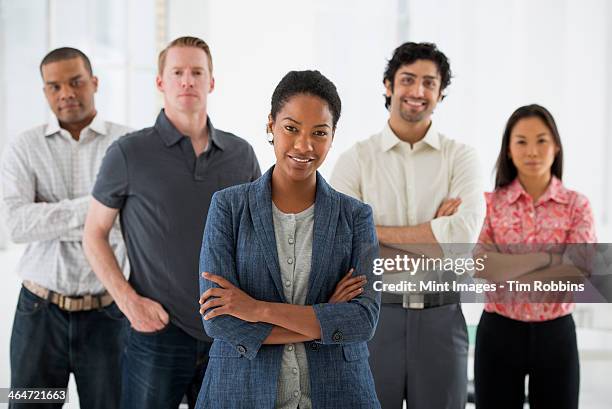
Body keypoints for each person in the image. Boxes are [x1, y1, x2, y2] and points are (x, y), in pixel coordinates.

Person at [83, 36, 261, 409]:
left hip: (226, 331)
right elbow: (94, 234)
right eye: (177, 72)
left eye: (197, 72)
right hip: (157, 333)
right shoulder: (128, 153)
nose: (187, 81)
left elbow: (257, 237)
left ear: (211, 82)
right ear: (160, 82)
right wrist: (129, 302)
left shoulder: (241, 154)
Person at [196, 70, 381, 409]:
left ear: (333, 135)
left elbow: (363, 320)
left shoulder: (356, 217)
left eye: (319, 133)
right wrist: (324, 318)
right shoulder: (228, 207)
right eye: (291, 128)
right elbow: (218, 320)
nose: (303, 145)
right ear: (271, 125)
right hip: (242, 392)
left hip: (338, 393)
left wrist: (256, 309)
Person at [330, 42, 486, 408]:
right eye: (408, 79)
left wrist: (373, 232)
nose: (418, 91)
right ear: (388, 85)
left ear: (440, 93)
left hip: (442, 321)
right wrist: (433, 231)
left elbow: (461, 238)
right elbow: (341, 242)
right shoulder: (356, 160)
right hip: (373, 319)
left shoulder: (461, 158)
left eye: (429, 83)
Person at [1, 47, 130, 409]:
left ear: (94, 82)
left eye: (75, 82)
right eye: (54, 86)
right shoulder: (24, 147)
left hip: (108, 314)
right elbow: (17, 225)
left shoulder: (127, 144)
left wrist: (48, 216)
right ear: (45, 92)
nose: (66, 93)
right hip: (39, 315)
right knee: (30, 406)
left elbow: (130, 223)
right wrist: (99, 211)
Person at [473, 104, 596, 409]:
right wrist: (547, 257)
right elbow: (481, 266)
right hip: (499, 332)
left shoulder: (576, 205)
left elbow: (577, 272)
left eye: (541, 140)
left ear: (556, 146)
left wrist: (507, 267)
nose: (532, 151)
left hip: (556, 334)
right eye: (521, 141)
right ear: (509, 150)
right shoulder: (489, 204)